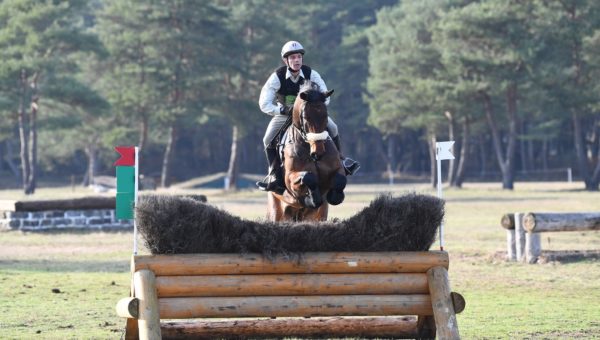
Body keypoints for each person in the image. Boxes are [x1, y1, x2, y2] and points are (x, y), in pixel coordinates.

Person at [256, 40, 359, 192]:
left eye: (298, 57)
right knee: (267, 138)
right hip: (285, 114)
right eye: (292, 58)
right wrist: (282, 110)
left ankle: (342, 161)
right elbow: (264, 103)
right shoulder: (277, 77)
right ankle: (273, 173)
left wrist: (313, 105)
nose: (296, 60)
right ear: (286, 60)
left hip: (309, 115)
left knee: (333, 127)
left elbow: (326, 96)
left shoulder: (311, 74)